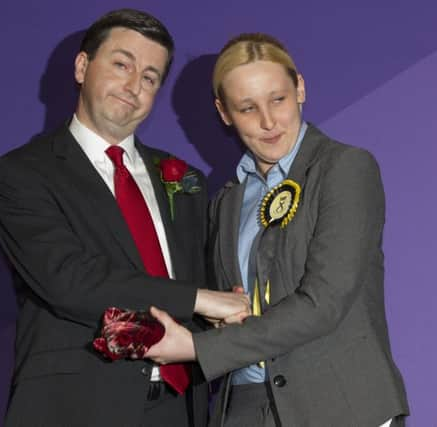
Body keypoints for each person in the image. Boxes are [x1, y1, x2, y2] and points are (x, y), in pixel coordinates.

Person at [0, 9, 249, 427]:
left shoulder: (186, 180)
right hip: (76, 406)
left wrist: (223, 309)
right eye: (122, 64)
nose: (133, 86)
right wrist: (203, 299)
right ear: (82, 66)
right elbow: (70, 282)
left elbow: (202, 281)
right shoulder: (20, 175)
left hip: (181, 406)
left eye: (149, 77)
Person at [146, 33, 410, 427]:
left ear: (300, 88)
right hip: (246, 404)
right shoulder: (227, 200)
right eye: (247, 108)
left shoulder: (345, 168)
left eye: (278, 99)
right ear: (224, 113)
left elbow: (324, 303)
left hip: (341, 404)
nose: (268, 122)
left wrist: (198, 347)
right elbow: (232, 301)